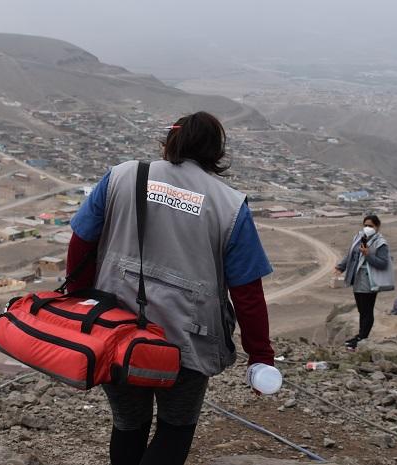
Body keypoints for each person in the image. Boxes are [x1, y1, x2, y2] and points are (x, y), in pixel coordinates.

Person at [66, 111, 275, 465]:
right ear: (216, 153)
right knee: (176, 427)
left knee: (128, 423)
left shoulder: (122, 175)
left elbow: (81, 243)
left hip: (116, 330)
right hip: (188, 341)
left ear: (170, 141)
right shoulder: (230, 206)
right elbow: (247, 293)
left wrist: (80, 304)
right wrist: (260, 358)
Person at [333, 215, 392, 351]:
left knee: (366, 310)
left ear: (377, 227)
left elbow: (383, 263)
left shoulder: (380, 243)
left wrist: (368, 255)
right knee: (361, 310)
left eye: (371, 226)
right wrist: (341, 267)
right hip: (357, 278)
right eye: (366, 225)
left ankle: (363, 337)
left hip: (370, 281)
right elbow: (350, 254)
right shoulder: (359, 237)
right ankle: (360, 336)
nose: (367, 228)